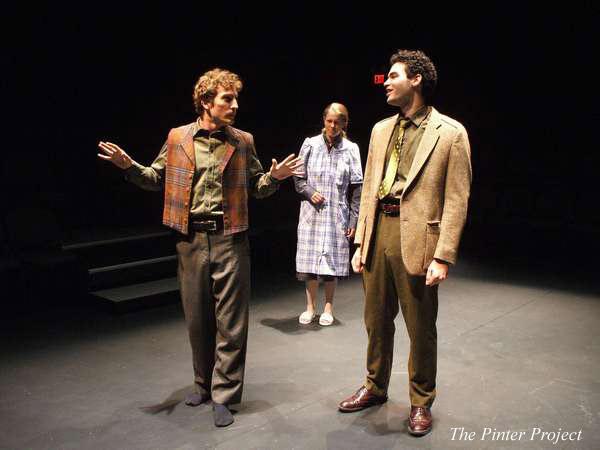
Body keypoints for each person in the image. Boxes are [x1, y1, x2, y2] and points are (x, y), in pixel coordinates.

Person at [97, 68, 303, 428]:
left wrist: (276, 178)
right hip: (189, 239)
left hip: (230, 238)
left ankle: (224, 394)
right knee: (197, 318)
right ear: (206, 102)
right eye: (227, 99)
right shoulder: (178, 138)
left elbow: (258, 187)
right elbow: (155, 178)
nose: (235, 105)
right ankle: (202, 383)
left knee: (232, 322)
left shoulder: (243, 141)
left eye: (236, 99)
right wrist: (128, 166)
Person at [338, 50, 472, 436]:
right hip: (380, 229)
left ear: (416, 80)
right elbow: (367, 192)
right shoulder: (381, 130)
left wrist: (443, 255)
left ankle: (420, 400)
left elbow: (456, 199)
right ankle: (375, 386)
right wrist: (362, 241)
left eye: (393, 76)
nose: (386, 82)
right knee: (375, 321)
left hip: (419, 239)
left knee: (420, 326)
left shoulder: (450, 132)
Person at [293, 103, 363, 326]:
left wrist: (353, 218)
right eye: (329, 121)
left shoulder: (351, 149)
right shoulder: (310, 145)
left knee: (331, 264)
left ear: (344, 123)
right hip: (311, 214)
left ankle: (328, 308)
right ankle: (310, 307)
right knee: (310, 264)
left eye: (337, 122)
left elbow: (357, 187)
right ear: (324, 120)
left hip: (337, 213)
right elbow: (298, 177)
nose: (332, 126)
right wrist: (309, 192)